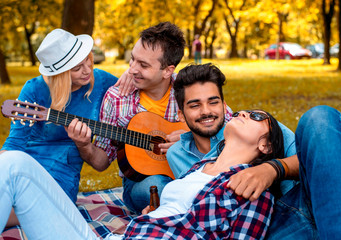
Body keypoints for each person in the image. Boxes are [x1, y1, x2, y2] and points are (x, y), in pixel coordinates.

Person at [0, 106, 284, 239]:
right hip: (120, 237)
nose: (246, 113)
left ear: (266, 144)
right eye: (245, 111)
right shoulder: (199, 168)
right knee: (14, 163)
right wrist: (154, 214)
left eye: (258, 116)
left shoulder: (254, 189)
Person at [168, 63, 341, 239]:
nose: (206, 112)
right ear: (182, 116)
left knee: (320, 118)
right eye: (194, 105)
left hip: (290, 207)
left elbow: (318, 158)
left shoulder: (252, 129)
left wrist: (272, 168)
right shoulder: (180, 157)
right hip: (239, 228)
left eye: (213, 102)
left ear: (224, 106)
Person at [0, 29, 119, 226]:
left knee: (37, 206)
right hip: (30, 158)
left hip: (63, 169)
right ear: (60, 74)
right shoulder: (34, 89)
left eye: (87, 60)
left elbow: (133, 96)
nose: (87, 70)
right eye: (77, 67)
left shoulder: (101, 81)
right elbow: (15, 143)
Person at [66, 22, 187, 214]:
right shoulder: (117, 97)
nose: (131, 70)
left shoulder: (188, 89)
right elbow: (102, 162)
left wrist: (190, 139)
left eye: (143, 65)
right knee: (160, 186)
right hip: (140, 182)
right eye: (133, 59)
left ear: (167, 71)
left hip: (189, 173)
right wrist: (84, 146)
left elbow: (227, 124)